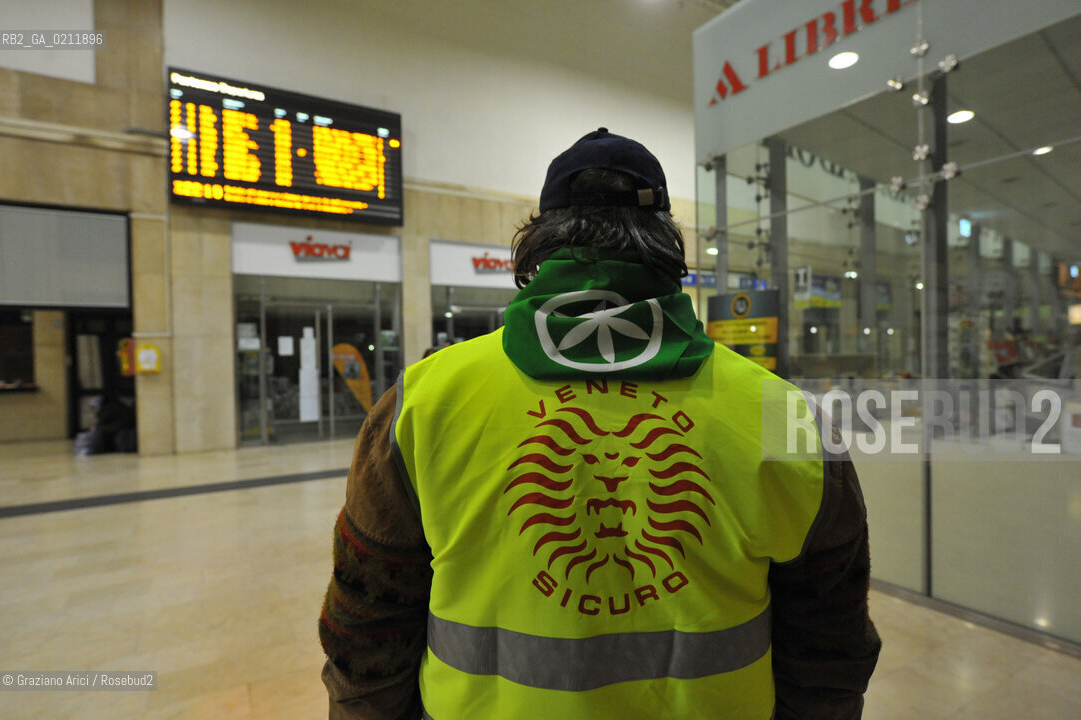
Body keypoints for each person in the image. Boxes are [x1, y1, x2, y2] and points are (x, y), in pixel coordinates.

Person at [319, 128, 880, 719]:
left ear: (535, 246)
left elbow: (368, 630)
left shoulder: (421, 403)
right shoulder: (784, 415)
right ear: (669, 248)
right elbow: (831, 648)